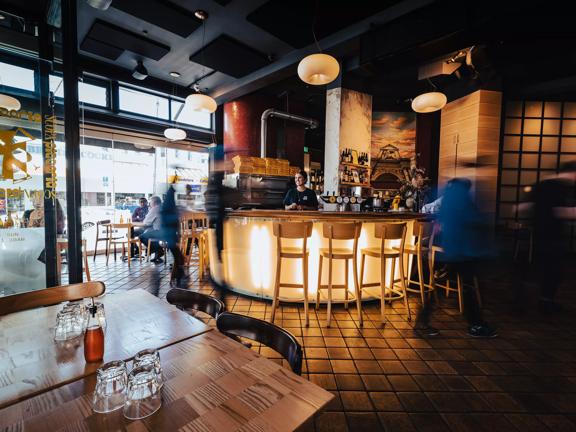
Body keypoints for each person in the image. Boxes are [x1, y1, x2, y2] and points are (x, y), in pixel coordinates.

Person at [415, 178, 497, 338]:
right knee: (466, 288)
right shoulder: (463, 198)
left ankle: (423, 321)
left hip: (451, 248)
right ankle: (475, 324)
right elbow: (473, 220)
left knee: (447, 286)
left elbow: (436, 213)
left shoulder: (448, 195)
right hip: (462, 249)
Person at [530, 161, 576, 312]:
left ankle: (536, 298)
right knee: (554, 270)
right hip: (552, 234)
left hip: (540, 232)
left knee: (546, 268)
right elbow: (559, 211)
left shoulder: (543, 184)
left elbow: (525, 205)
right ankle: (545, 301)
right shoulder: (559, 188)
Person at [138, 196, 163, 262]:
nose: (149, 204)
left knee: (142, 237)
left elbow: (146, 222)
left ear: (154, 202)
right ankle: (157, 252)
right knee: (147, 232)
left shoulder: (155, 209)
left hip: (159, 232)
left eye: (150, 202)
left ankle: (158, 250)